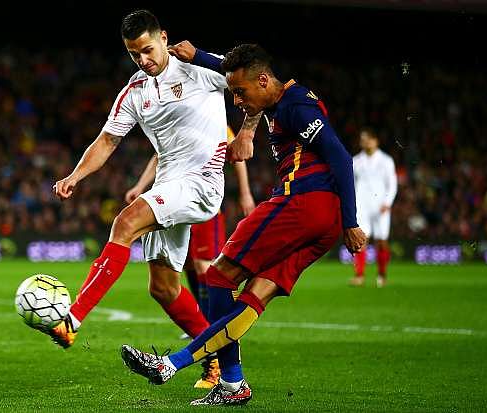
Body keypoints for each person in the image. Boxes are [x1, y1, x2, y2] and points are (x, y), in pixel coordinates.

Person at [120, 43, 367, 406]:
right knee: (254, 297)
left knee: (218, 277)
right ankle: (230, 386)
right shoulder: (278, 98)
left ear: (264, 81)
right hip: (322, 224)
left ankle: (183, 368)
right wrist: (200, 57)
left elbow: (341, 157)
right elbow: (233, 69)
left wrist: (353, 222)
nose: (236, 101)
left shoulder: (296, 106)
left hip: (300, 202)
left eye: (240, 93)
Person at [47, 8, 260, 368]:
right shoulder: (134, 91)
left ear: (163, 38)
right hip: (169, 183)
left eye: (147, 50)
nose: (143, 60)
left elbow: (257, 82)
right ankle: (217, 362)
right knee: (162, 288)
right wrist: (74, 176)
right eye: (134, 54)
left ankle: (73, 318)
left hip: (201, 183)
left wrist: (247, 132)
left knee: (125, 222)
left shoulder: (199, 68)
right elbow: (107, 141)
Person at [124, 125, 255, 388]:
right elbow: (159, 154)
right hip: (174, 200)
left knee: (205, 266)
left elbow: (237, 158)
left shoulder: (215, 119)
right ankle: (204, 328)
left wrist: (245, 193)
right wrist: (141, 185)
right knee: (184, 270)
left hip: (202, 200)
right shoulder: (177, 115)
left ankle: (214, 340)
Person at [348, 127, 398, 288]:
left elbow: (392, 184)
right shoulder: (356, 161)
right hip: (362, 206)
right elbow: (351, 185)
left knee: (382, 241)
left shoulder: (386, 161)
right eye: (363, 139)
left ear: (376, 141)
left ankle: (382, 275)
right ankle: (359, 276)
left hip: (381, 206)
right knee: (361, 240)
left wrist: (387, 203)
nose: (365, 142)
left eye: (368, 139)